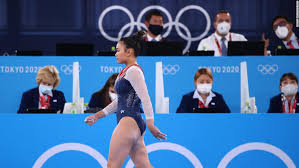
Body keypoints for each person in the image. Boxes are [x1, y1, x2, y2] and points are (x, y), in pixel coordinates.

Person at [84, 34, 166, 168]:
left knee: (112, 166)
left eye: (118, 50)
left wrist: (151, 123)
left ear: (129, 51)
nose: (115, 53)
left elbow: (145, 99)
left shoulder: (134, 71)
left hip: (129, 121)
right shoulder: (125, 71)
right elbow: (118, 102)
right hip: (133, 122)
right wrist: (97, 115)